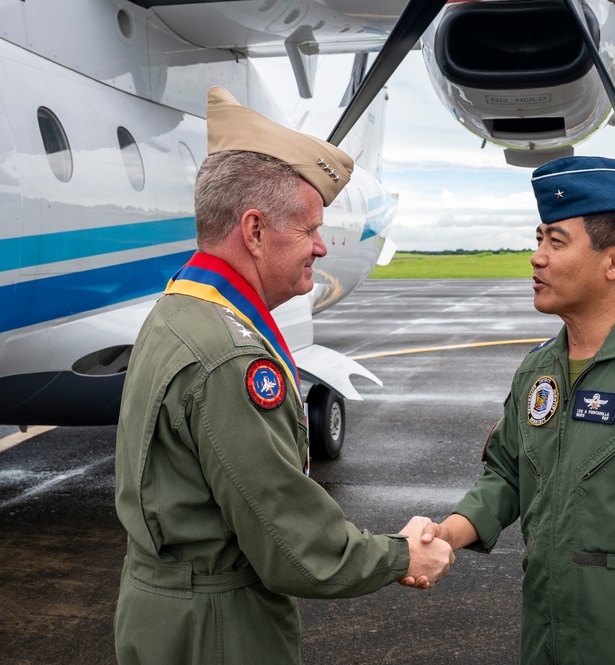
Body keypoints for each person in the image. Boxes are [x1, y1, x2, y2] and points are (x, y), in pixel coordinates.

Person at [114, 85, 453, 664]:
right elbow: (292, 544)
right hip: (218, 631)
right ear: (253, 231)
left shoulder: (178, 312)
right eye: (308, 229)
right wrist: (403, 556)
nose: (321, 248)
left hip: (165, 612)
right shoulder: (231, 357)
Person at [411, 156, 615, 665]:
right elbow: (506, 474)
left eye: (555, 241)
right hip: (545, 636)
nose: (536, 258)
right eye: (538, 238)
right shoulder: (537, 370)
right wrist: (446, 534)